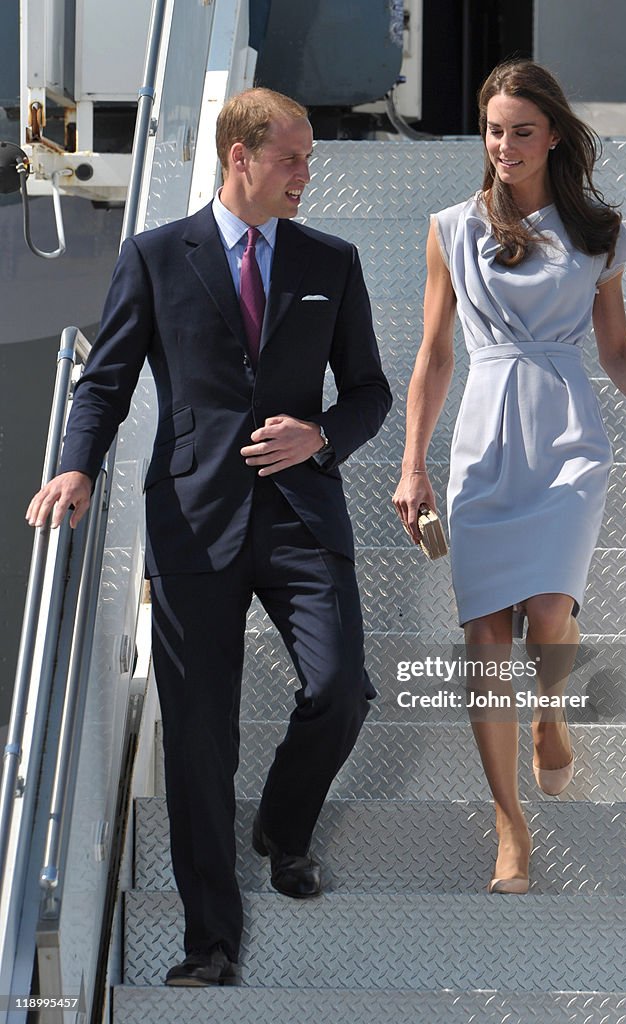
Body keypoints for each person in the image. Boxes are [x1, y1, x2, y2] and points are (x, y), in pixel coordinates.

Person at [27, 88, 391, 983]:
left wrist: (322, 435)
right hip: (194, 519)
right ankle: (211, 943)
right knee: (197, 738)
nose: (307, 174)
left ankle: (283, 824)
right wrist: (76, 464)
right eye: (293, 158)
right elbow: (105, 381)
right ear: (241, 157)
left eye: (308, 157)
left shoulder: (330, 261)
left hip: (304, 515)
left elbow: (371, 392)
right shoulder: (157, 257)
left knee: (341, 687)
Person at [392, 59, 626, 895]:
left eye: (522, 130)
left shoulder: (597, 231)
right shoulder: (452, 228)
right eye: (494, 129)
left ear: (555, 136)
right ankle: (511, 826)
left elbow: (615, 349)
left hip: (569, 434)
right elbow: (435, 357)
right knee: (484, 638)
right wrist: (412, 465)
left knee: (549, 612)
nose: (505, 145)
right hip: (484, 435)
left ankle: (551, 711)